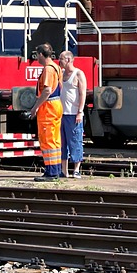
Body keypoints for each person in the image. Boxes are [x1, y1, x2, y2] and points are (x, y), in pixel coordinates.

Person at [27, 43, 63, 179]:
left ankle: (51, 172)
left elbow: (47, 90)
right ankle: (56, 169)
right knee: (55, 140)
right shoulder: (57, 67)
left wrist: (35, 107)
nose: (36, 58)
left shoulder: (48, 69)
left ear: (41, 54)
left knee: (47, 139)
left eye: (37, 55)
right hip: (56, 104)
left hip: (48, 107)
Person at [58, 50, 87, 178]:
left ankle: (76, 169)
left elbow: (82, 93)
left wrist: (80, 112)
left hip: (73, 113)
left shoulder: (79, 74)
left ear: (68, 60)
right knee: (62, 143)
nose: (59, 61)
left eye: (61, 59)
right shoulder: (62, 73)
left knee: (75, 140)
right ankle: (64, 170)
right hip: (61, 113)